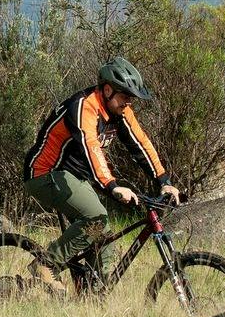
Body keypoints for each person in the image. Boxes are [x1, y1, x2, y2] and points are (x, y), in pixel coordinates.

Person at [21, 57, 181, 288]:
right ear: (107, 90)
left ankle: (93, 295)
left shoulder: (121, 112)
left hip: (75, 178)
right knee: (96, 217)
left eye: (131, 98)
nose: (128, 103)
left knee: (104, 237)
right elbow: (90, 147)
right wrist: (112, 185)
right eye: (125, 97)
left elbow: (141, 144)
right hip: (45, 173)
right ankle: (46, 264)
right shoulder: (84, 106)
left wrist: (164, 180)